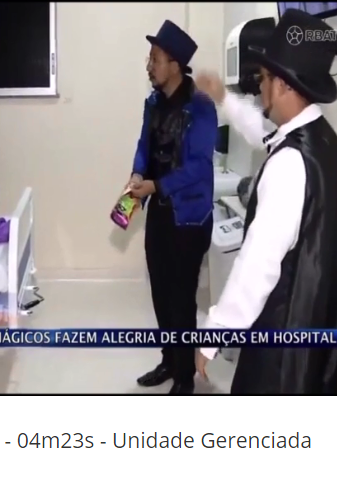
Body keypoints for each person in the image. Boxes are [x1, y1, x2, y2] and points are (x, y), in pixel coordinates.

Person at [193, 9, 337, 394]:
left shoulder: (290, 162)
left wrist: (213, 334)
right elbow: (263, 133)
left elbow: (257, 265)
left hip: (281, 353)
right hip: (314, 341)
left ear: (281, 85)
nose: (259, 87)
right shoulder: (323, 142)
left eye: (263, 78)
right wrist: (223, 97)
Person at [129, 20, 218, 395]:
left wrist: (158, 185)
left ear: (175, 64)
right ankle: (169, 359)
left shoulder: (201, 107)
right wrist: (138, 174)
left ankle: (185, 377)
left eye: (155, 58)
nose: (149, 65)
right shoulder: (152, 103)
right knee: (161, 293)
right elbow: (144, 146)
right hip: (160, 213)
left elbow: (198, 166)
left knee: (182, 299)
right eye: (149, 58)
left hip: (190, 218)